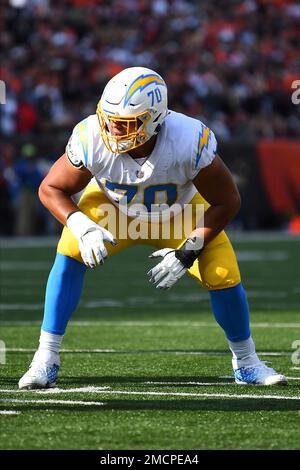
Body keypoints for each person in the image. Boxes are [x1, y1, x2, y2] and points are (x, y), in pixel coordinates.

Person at [19, 67, 287, 389]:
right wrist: (82, 226)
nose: (114, 129)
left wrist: (189, 250)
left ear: (155, 119)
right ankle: (45, 358)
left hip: (180, 213)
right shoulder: (92, 137)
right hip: (113, 209)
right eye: (109, 119)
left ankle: (246, 362)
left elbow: (228, 201)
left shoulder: (188, 140)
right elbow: (50, 188)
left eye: (126, 123)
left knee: (222, 272)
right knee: (70, 250)